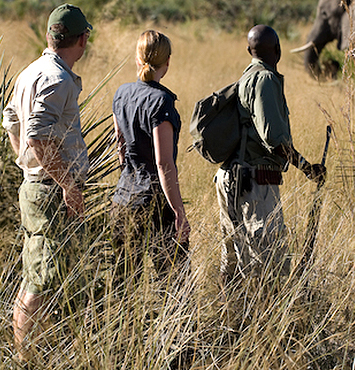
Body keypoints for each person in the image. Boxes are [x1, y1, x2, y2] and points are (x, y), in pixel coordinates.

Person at [2, 3, 92, 362]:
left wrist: (25, 164)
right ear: (82, 39)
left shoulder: (32, 71)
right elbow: (37, 135)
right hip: (51, 191)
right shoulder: (56, 78)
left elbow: (11, 121)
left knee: (41, 273)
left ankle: (40, 353)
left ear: (49, 35)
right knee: (41, 280)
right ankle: (26, 359)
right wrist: (66, 184)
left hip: (39, 186)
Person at [215, 24, 326, 285]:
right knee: (267, 263)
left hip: (231, 177)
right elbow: (273, 138)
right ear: (278, 50)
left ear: (248, 51)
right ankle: (262, 317)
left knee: (233, 256)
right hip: (254, 182)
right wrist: (306, 167)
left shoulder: (246, 77)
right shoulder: (265, 79)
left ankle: (230, 314)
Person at [111, 30, 190, 285]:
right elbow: (163, 162)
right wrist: (178, 212)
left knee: (123, 285)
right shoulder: (162, 101)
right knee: (174, 284)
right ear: (167, 62)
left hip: (123, 197)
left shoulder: (121, 94)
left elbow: (120, 147)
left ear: (137, 58)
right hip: (154, 203)